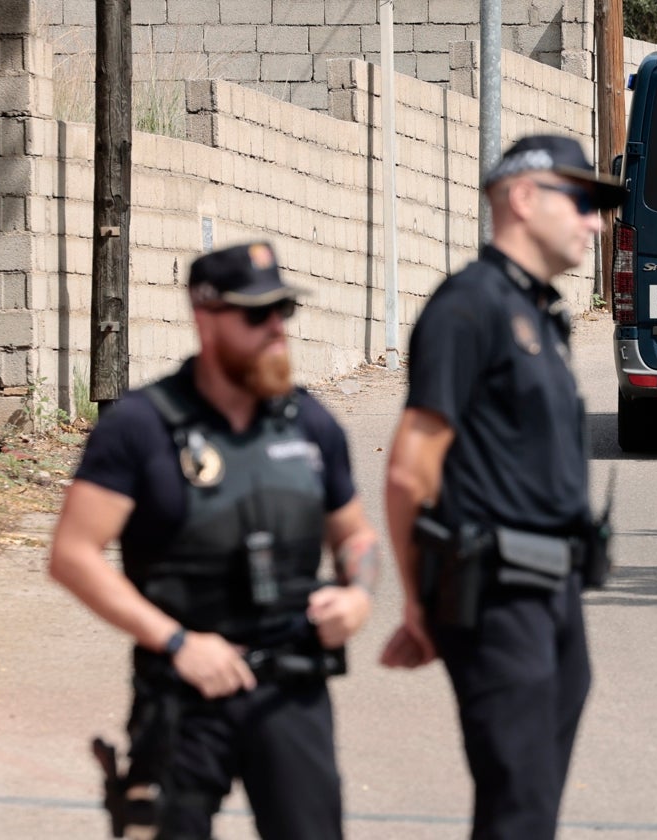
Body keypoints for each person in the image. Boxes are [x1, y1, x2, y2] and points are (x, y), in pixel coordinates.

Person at [49, 242, 378, 840]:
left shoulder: (310, 424)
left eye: (283, 312)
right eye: (256, 315)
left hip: (291, 690)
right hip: (183, 695)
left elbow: (356, 535)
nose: (276, 329)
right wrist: (176, 642)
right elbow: (72, 555)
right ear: (205, 318)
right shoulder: (141, 427)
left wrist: (358, 595)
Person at [380, 134, 626, 839]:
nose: (594, 222)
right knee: (517, 805)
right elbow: (409, 469)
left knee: (531, 810)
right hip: (493, 596)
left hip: (554, 592)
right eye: (580, 202)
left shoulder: (539, 313)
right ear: (522, 198)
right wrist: (420, 604)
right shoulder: (469, 309)